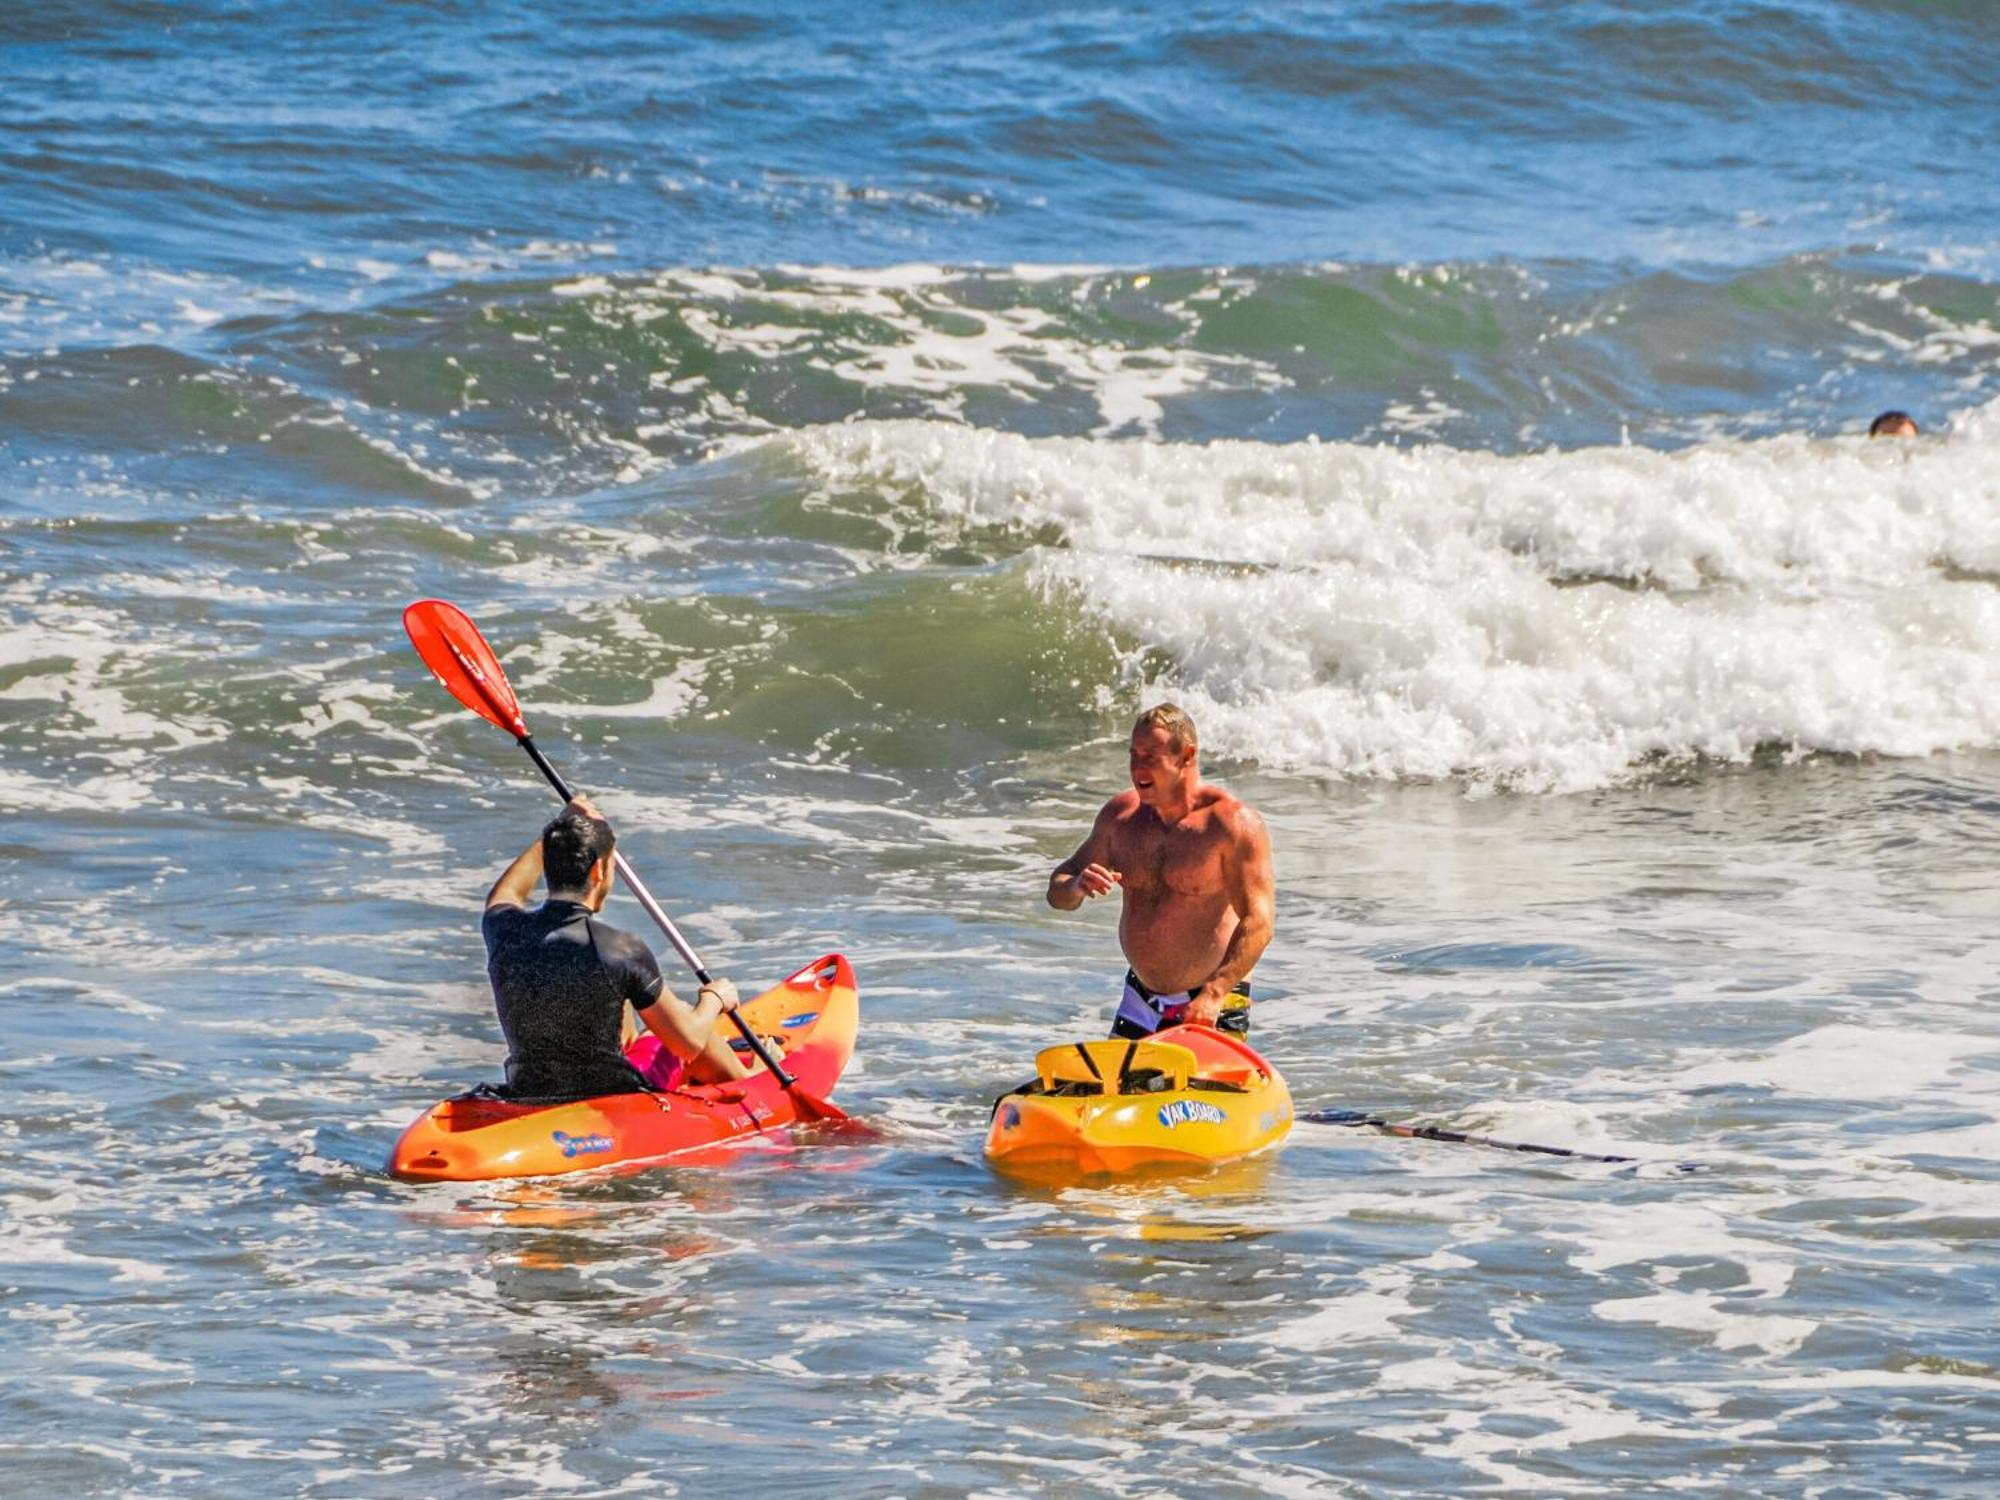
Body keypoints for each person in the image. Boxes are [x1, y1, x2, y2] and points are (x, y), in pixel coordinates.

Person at [482, 795, 751, 1099]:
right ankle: (752, 1083)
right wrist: (714, 999)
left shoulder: (503, 928)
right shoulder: (621, 949)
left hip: (528, 1089)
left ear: (548, 865)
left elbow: (506, 892)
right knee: (678, 1027)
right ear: (599, 870)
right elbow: (687, 1042)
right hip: (610, 1097)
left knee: (630, 1021)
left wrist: (559, 827)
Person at [1047, 703, 1275, 1039]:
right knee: (1112, 1090)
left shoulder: (1230, 825)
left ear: (1186, 755)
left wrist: (1215, 994)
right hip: (1140, 1000)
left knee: (1195, 1094)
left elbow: (1260, 921)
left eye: (1150, 755)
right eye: (1133, 755)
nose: (1138, 766)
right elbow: (1058, 892)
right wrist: (1077, 886)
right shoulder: (1121, 818)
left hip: (1211, 1002)